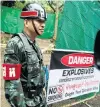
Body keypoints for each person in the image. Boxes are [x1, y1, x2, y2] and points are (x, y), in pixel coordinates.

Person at [3, 3, 47, 107]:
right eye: (39, 20)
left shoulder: (35, 45)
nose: (43, 24)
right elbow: (12, 86)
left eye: (44, 21)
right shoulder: (15, 44)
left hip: (40, 101)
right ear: (26, 22)